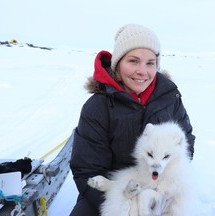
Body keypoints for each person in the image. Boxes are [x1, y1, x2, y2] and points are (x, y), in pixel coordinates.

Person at [69, 23, 195, 215]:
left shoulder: (169, 97)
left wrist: (164, 188)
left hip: (160, 189)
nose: (142, 71)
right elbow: (86, 169)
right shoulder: (98, 107)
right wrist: (125, 205)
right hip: (110, 192)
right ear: (118, 64)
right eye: (133, 61)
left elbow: (185, 145)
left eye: (150, 63)